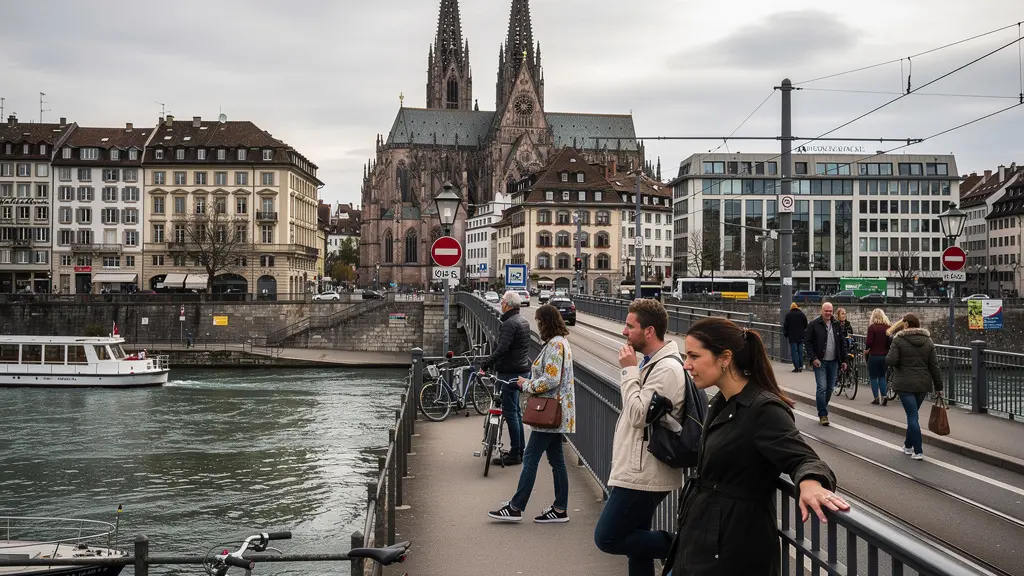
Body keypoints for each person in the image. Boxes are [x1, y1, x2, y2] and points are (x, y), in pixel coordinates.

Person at [666, 317, 848, 576]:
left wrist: (810, 481)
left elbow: (803, 458)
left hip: (732, 550)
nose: (687, 365)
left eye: (694, 356)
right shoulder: (720, 401)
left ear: (725, 358)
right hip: (704, 541)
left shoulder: (763, 409)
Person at [594, 299, 686, 576]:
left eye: (629, 326)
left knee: (608, 538)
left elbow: (638, 415)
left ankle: (682, 546)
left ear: (649, 331)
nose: (624, 331)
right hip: (639, 467)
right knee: (637, 543)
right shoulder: (653, 363)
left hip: (644, 471)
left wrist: (628, 370)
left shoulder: (667, 369)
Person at [487, 304, 576, 523]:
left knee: (530, 458)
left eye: (539, 321)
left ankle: (516, 507)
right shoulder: (560, 343)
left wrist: (527, 384)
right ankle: (560, 509)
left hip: (549, 413)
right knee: (557, 461)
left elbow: (551, 379)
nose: (538, 325)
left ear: (547, 322)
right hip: (556, 412)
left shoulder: (555, 345)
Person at [480, 290, 531, 466]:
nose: (501, 303)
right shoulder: (523, 321)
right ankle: (520, 450)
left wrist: (485, 364)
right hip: (522, 371)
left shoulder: (509, 324)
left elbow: (502, 349)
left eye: (502, 301)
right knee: (516, 412)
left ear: (508, 304)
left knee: (510, 413)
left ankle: (515, 454)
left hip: (510, 373)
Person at [886, 313, 944, 461]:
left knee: (912, 416)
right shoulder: (928, 341)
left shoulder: (898, 340)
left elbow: (891, 361)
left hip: (904, 383)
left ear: (905, 325)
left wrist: (890, 352)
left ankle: (918, 451)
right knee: (913, 415)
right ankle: (907, 445)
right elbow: (934, 366)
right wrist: (939, 387)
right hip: (923, 384)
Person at [803, 302, 847, 426]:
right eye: (826, 311)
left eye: (830, 311)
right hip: (820, 362)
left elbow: (842, 343)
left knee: (830, 388)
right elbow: (807, 341)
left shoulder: (837, 325)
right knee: (822, 387)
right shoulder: (814, 325)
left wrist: (844, 360)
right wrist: (813, 358)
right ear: (821, 311)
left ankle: (822, 407)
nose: (828, 313)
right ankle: (823, 414)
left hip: (834, 361)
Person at [864, 309, 892, 405]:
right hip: (884, 356)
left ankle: (876, 398)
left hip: (874, 355)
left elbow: (869, 342)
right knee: (882, 376)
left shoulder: (872, 328)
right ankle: (884, 396)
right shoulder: (888, 327)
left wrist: (867, 348)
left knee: (873, 377)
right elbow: (890, 342)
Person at [782, 302, 808, 373]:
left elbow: (785, 326)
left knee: (794, 352)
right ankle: (800, 366)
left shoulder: (788, 315)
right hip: (801, 336)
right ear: (797, 307)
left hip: (792, 336)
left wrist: (786, 334)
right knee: (800, 351)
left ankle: (796, 367)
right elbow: (806, 324)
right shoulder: (802, 314)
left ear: (791, 307)